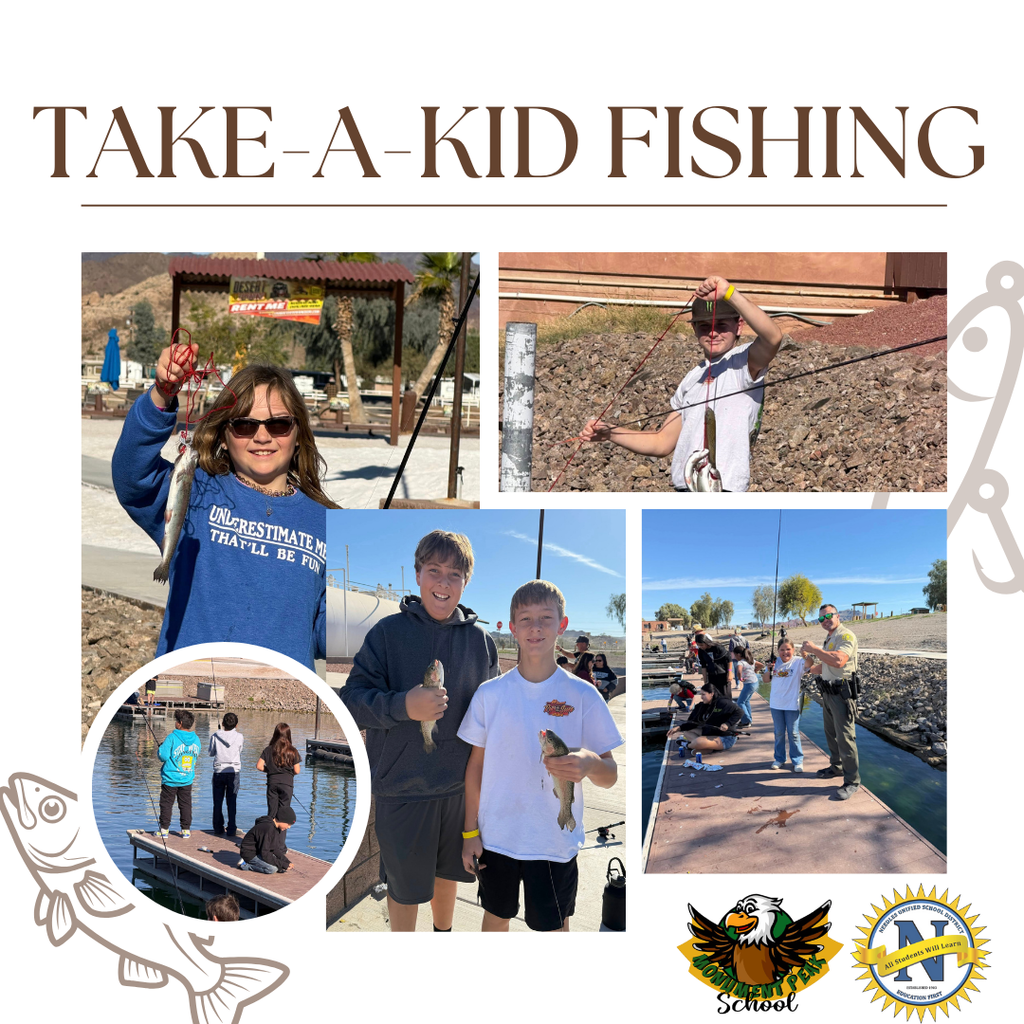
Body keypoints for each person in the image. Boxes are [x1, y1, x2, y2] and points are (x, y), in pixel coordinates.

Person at [111, 345, 337, 670]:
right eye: (245, 425)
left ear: (299, 433)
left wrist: (368, 615)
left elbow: (326, 637)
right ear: (224, 435)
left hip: (282, 697)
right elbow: (132, 476)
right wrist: (161, 396)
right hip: (190, 687)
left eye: (278, 425)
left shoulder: (329, 523)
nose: (262, 437)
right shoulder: (196, 492)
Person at [339, 530, 499, 932]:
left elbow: (494, 718)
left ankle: (442, 936)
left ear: (467, 581)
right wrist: (403, 706)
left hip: (461, 793)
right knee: (405, 889)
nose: (443, 583)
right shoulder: (386, 634)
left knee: (451, 875)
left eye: (455, 575)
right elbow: (352, 700)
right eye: (434, 571)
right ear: (417, 575)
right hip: (403, 791)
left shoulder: (482, 643)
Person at [458, 580, 622, 932]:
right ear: (513, 628)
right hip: (495, 837)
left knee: (553, 926)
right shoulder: (490, 694)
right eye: (526, 619)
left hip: (554, 842)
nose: (535, 627)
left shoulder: (584, 695)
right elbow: (475, 767)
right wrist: (469, 832)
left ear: (562, 625)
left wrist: (590, 763)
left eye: (546, 618)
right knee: (495, 917)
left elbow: (610, 774)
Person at [580, 276, 786, 491]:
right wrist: (611, 433)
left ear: (739, 326)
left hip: (722, 489)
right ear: (695, 329)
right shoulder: (692, 377)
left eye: (721, 325)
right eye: (704, 326)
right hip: (684, 489)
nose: (712, 332)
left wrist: (729, 292)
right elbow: (662, 442)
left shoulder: (745, 362)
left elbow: (773, 337)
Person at [802, 604, 860, 800]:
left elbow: (839, 661)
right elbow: (825, 666)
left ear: (837, 616)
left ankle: (852, 780)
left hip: (841, 695)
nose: (825, 620)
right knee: (830, 734)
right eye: (821, 618)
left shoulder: (845, 636)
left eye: (828, 616)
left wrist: (815, 649)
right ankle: (836, 767)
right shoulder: (829, 638)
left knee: (845, 738)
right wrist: (807, 665)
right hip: (827, 694)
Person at [157, 709, 200, 839]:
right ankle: (186, 830)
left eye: (176, 721)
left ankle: (164, 830)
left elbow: (163, 756)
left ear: (179, 723)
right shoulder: (196, 739)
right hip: (187, 778)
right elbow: (196, 755)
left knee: (166, 804)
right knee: (185, 804)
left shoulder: (172, 737)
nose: (175, 723)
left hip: (170, 779)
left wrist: (160, 748)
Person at [668, 683, 742, 755]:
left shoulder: (722, 702)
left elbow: (739, 712)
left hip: (726, 738)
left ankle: (687, 745)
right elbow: (692, 723)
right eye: (701, 695)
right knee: (686, 732)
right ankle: (707, 747)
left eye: (703, 694)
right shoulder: (703, 706)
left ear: (711, 694)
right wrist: (678, 728)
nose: (701, 697)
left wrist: (727, 724)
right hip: (711, 734)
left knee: (698, 742)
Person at [767, 639, 807, 771]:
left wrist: (806, 655)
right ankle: (779, 759)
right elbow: (765, 680)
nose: (785, 652)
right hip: (776, 704)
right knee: (778, 733)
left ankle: (797, 761)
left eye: (788, 649)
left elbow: (810, 665)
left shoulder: (798, 661)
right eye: (782, 650)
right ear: (778, 651)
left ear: (793, 650)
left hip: (792, 704)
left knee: (793, 733)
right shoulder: (774, 662)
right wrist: (769, 669)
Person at [208, 712, 244, 836]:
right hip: (233, 771)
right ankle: (232, 828)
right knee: (232, 800)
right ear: (236, 725)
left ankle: (218, 828)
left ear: (222, 724)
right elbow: (240, 750)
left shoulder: (215, 736)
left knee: (217, 801)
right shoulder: (239, 736)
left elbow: (211, 753)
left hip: (218, 771)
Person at [256, 723, 301, 819]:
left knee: (272, 813)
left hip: (272, 782)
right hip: (286, 784)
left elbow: (259, 766)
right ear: (289, 735)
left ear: (275, 734)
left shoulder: (268, 750)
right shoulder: (293, 751)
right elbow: (297, 771)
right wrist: (288, 773)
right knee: (284, 815)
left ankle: (270, 833)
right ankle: (281, 834)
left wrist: (270, 770)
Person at [237, 806, 295, 874]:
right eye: (288, 824)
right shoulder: (267, 828)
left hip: (259, 851)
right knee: (272, 869)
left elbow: (275, 849)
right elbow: (265, 853)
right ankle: (245, 865)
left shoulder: (276, 829)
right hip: (249, 853)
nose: (289, 827)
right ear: (282, 820)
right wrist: (282, 865)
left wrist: (286, 862)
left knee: (276, 863)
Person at [731, 647, 764, 728]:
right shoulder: (750, 660)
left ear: (738, 655)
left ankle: (746, 721)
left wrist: (740, 678)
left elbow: (738, 671)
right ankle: (748, 719)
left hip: (749, 684)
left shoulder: (741, 663)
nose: (734, 657)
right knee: (746, 701)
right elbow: (761, 665)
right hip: (755, 683)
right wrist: (756, 670)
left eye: (735, 655)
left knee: (740, 702)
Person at [695, 633, 731, 698]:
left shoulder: (718, 647)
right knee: (713, 695)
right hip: (711, 675)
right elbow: (703, 665)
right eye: (698, 645)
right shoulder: (701, 651)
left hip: (723, 674)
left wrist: (730, 673)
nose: (701, 647)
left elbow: (729, 660)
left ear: (706, 642)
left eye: (702, 645)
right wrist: (705, 680)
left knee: (725, 695)